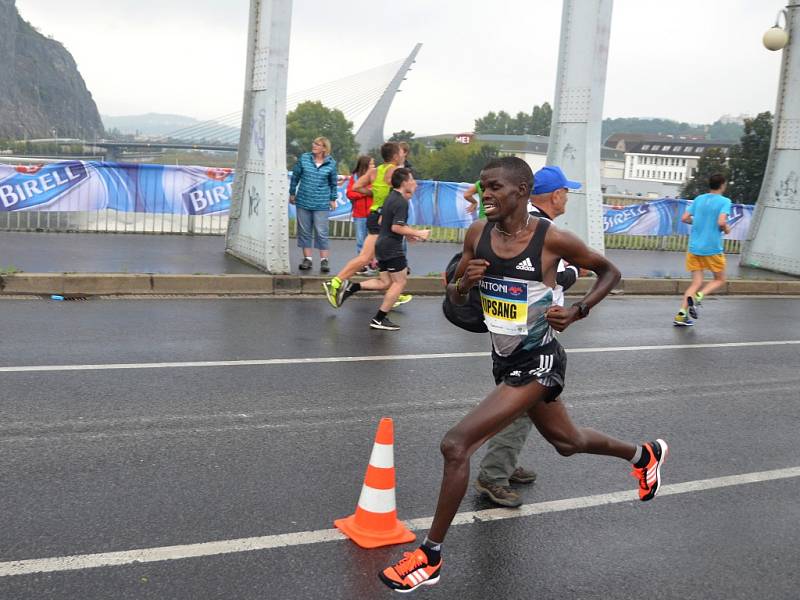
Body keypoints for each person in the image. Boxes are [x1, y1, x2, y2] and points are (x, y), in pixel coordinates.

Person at [378, 157, 668, 593]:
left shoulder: (552, 240)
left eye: (494, 187)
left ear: (521, 190)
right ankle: (644, 456)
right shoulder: (477, 233)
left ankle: (429, 557)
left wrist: (577, 310)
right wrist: (464, 281)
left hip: (540, 360)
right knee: (568, 443)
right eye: (482, 187)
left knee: (456, 444)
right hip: (504, 358)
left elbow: (610, 271)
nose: (485, 195)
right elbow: (458, 291)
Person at [474, 165, 588, 508]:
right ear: (554, 195)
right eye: (566, 191)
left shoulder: (525, 222)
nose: (567, 195)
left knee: (535, 405)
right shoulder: (535, 227)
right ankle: (493, 475)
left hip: (522, 328)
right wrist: (571, 271)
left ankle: (503, 465)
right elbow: (552, 274)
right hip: (528, 332)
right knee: (521, 405)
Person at [322, 142, 412, 309]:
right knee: (365, 257)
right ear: (394, 156)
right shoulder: (394, 171)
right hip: (381, 218)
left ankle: (393, 294)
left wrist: (374, 193)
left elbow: (357, 186)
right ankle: (335, 282)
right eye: (401, 152)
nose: (403, 155)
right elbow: (401, 190)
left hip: (375, 214)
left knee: (385, 278)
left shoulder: (374, 171)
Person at [674, 173, 731, 326]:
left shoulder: (699, 199)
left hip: (694, 247)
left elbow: (685, 218)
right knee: (720, 279)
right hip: (712, 248)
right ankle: (699, 297)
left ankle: (681, 316)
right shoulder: (725, 201)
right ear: (723, 185)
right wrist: (726, 228)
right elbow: (721, 221)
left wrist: (697, 223)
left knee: (695, 283)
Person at [289, 137, 338, 273]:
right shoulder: (304, 158)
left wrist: (333, 199)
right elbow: (295, 177)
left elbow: (333, 183)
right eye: (314, 143)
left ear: (324, 148)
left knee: (321, 232)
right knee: (304, 231)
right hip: (303, 201)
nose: (314, 145)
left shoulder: (331, 163)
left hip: (321, 202)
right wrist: (292, 193)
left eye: (318, 144)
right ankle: (308, 259)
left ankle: (324, 260)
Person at [346, 156, 375, 264]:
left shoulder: (376, 177)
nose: (374, 166)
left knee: (372, 240)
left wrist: (361, 192)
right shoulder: (355, 178)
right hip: (359, 214)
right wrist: (364, 192)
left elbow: (376, 192)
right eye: (371, 164)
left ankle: (372, 263)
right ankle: (361, 264)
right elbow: (349, 193)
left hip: (373, 213)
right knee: (360, 240)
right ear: (365, 165)